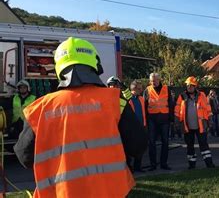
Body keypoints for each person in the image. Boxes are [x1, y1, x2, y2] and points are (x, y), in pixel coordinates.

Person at [14, 37, 147, 197]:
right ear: (95, 64)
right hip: (110, 191)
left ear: (59, 68)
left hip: (61, 193)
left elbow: (24, 157)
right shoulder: (115, 101)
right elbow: (138, 146)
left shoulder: (41, 108)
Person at [175, 76, 215, 169]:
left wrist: (210, 120)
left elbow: (208, 109)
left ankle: (209, 164)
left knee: (204, 145)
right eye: (188, 85)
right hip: (187, 126)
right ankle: (192, 165)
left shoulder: (202, 95)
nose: (189, 87)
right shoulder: (182, 96)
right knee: (190, 146)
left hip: (201, 126)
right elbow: (177, 111)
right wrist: (177, 122)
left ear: (195, 86)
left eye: (191, 85)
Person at [143, 73, 174, 171]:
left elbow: (171, 104)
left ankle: (163, 163)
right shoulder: (147, 90)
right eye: (152, 81)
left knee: (165, 142)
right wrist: (145, 120)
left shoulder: (166, 89)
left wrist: (171, 118)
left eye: (155, 80)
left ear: (159, 80)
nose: (153, 82)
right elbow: (144, 106)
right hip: (152, 119)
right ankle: (153, 165)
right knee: (152, 142)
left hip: (164, 119)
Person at [128, 80, 147, 173]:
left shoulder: (141, 99)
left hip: (141, 126)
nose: (141, 90)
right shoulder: (128, 99)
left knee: (140, 148)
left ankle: (138, 167)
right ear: (134, 88)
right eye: (139, 88)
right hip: (131, 128)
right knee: (130, 148)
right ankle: (129, 167)